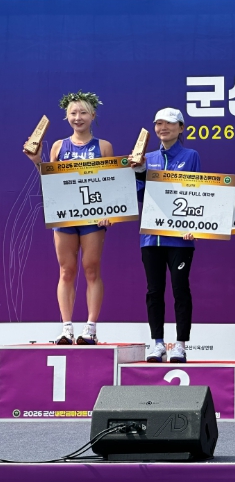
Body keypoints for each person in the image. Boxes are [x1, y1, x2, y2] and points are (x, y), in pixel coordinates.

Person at [23, 91, 113, 345]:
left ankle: (91, 328)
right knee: (66, 271)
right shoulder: (58, 146)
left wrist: (109, 211)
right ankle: (66, 328)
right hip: (64, 216)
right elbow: (50, 180)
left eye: (83, 112)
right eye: (73, 113)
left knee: (91, 269)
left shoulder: (103, 147)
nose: (78, 117)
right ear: (66, 116)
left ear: (93, 115)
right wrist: (37, 161)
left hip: (93, 217)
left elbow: (111, 183)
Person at [132, 108, 200, 363]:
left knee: (180, 289)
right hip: (151, 237)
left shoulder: (190, 155)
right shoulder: (146, 158)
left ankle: (180, 345)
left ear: (181, 128)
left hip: (181, 237)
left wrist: (196, 225)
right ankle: (158, 343)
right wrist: (138, 172)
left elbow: (198, 192)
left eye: (170, 124)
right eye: (159, 123)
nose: (163, 128)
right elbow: (139, 194)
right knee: (154, 291)